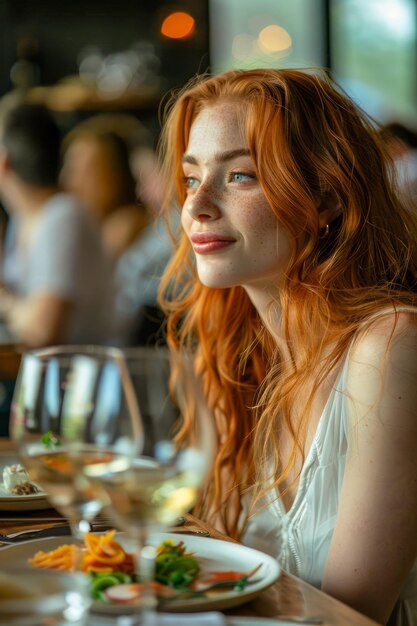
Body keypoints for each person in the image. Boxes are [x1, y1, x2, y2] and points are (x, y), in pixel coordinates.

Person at [157, 68, 417, 625]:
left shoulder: (390, 346)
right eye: (191, 177)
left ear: (325, 197)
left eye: (241, 176)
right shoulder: (238, 352)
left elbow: (349, 615)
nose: (197, 206)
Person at [0, 102, 115, 347]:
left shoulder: (64, 216)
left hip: (89, 379)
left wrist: (4, 301)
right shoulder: (22, 220)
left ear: (4, 162)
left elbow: (44, 329)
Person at [60, 119, 149, 262]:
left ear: (115, 176)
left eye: (87, 172)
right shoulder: (91, 225)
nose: (70, 181)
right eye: (70, 169)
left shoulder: (124, 225)